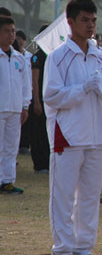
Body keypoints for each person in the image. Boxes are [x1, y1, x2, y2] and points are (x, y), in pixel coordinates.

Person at [43, 0, 102, 255]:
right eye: (85, 20)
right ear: (70, 22)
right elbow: (51, 96)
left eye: (94, 20)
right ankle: (63, 249)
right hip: (68, 135)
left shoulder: (101, 55)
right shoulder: (58, 57)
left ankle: (84, 247)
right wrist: (84, 88)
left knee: (89, 195)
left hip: (98, 134)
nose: (90, 25)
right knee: (62, 194)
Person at [0, 17, 31, 194]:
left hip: (14, 109)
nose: (11, 35)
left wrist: (25, 106)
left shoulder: (20, 58)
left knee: (11, 147)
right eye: (6, 31)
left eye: (13, 31)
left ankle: (8, 181)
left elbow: (26, 85)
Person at [29, 26, 51, 174]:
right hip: (40, 100)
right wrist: (37, 101)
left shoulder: (53, 55)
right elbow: (35, 81)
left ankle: (48, 162)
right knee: (38, 133)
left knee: (48, 133)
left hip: (50, 100)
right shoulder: (38, 56)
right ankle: (39, 163)